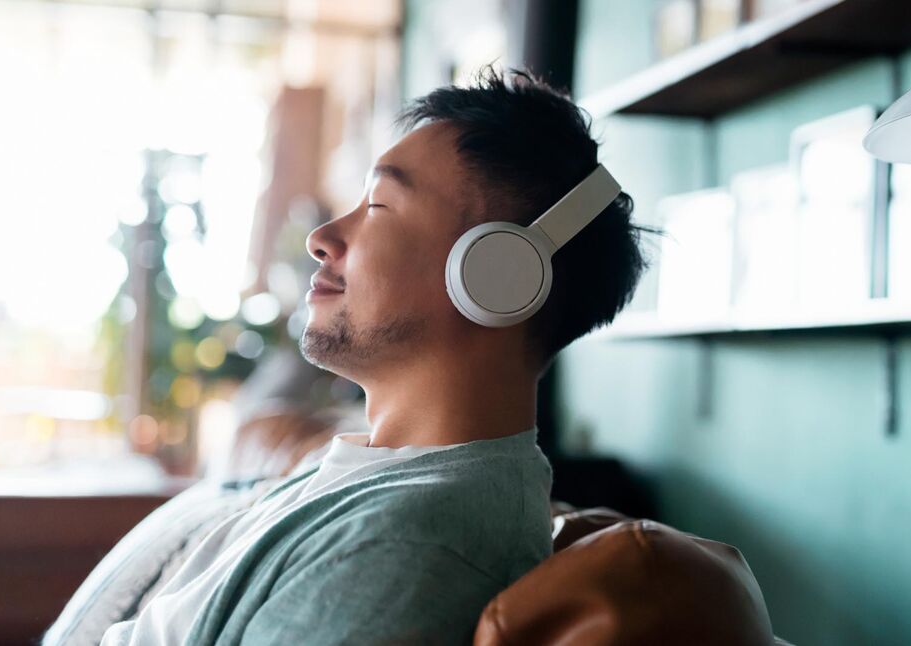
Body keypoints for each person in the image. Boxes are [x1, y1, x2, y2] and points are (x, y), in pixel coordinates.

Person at [100, 66, 649, 645]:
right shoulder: (361, 472)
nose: (324, 237)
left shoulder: (411, 542)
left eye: (380, 206)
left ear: (498, 274)